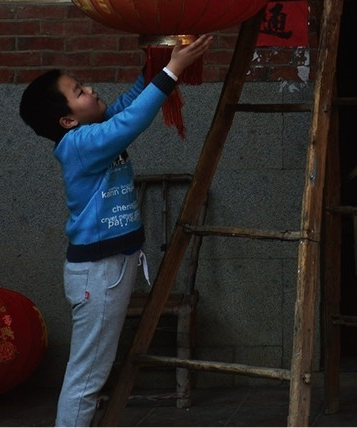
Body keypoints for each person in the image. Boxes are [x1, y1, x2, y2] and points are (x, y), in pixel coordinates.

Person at [18, 35, 213, 427]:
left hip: (110, 269)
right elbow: (132, 120)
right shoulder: (79, 144)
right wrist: (172, 70)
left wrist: (156, 62)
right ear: (68, 120)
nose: (91, 89)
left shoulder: (91, 131)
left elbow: (127, 105)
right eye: (79, 91)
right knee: (87, 376)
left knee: (92, 373)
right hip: (98, 274)